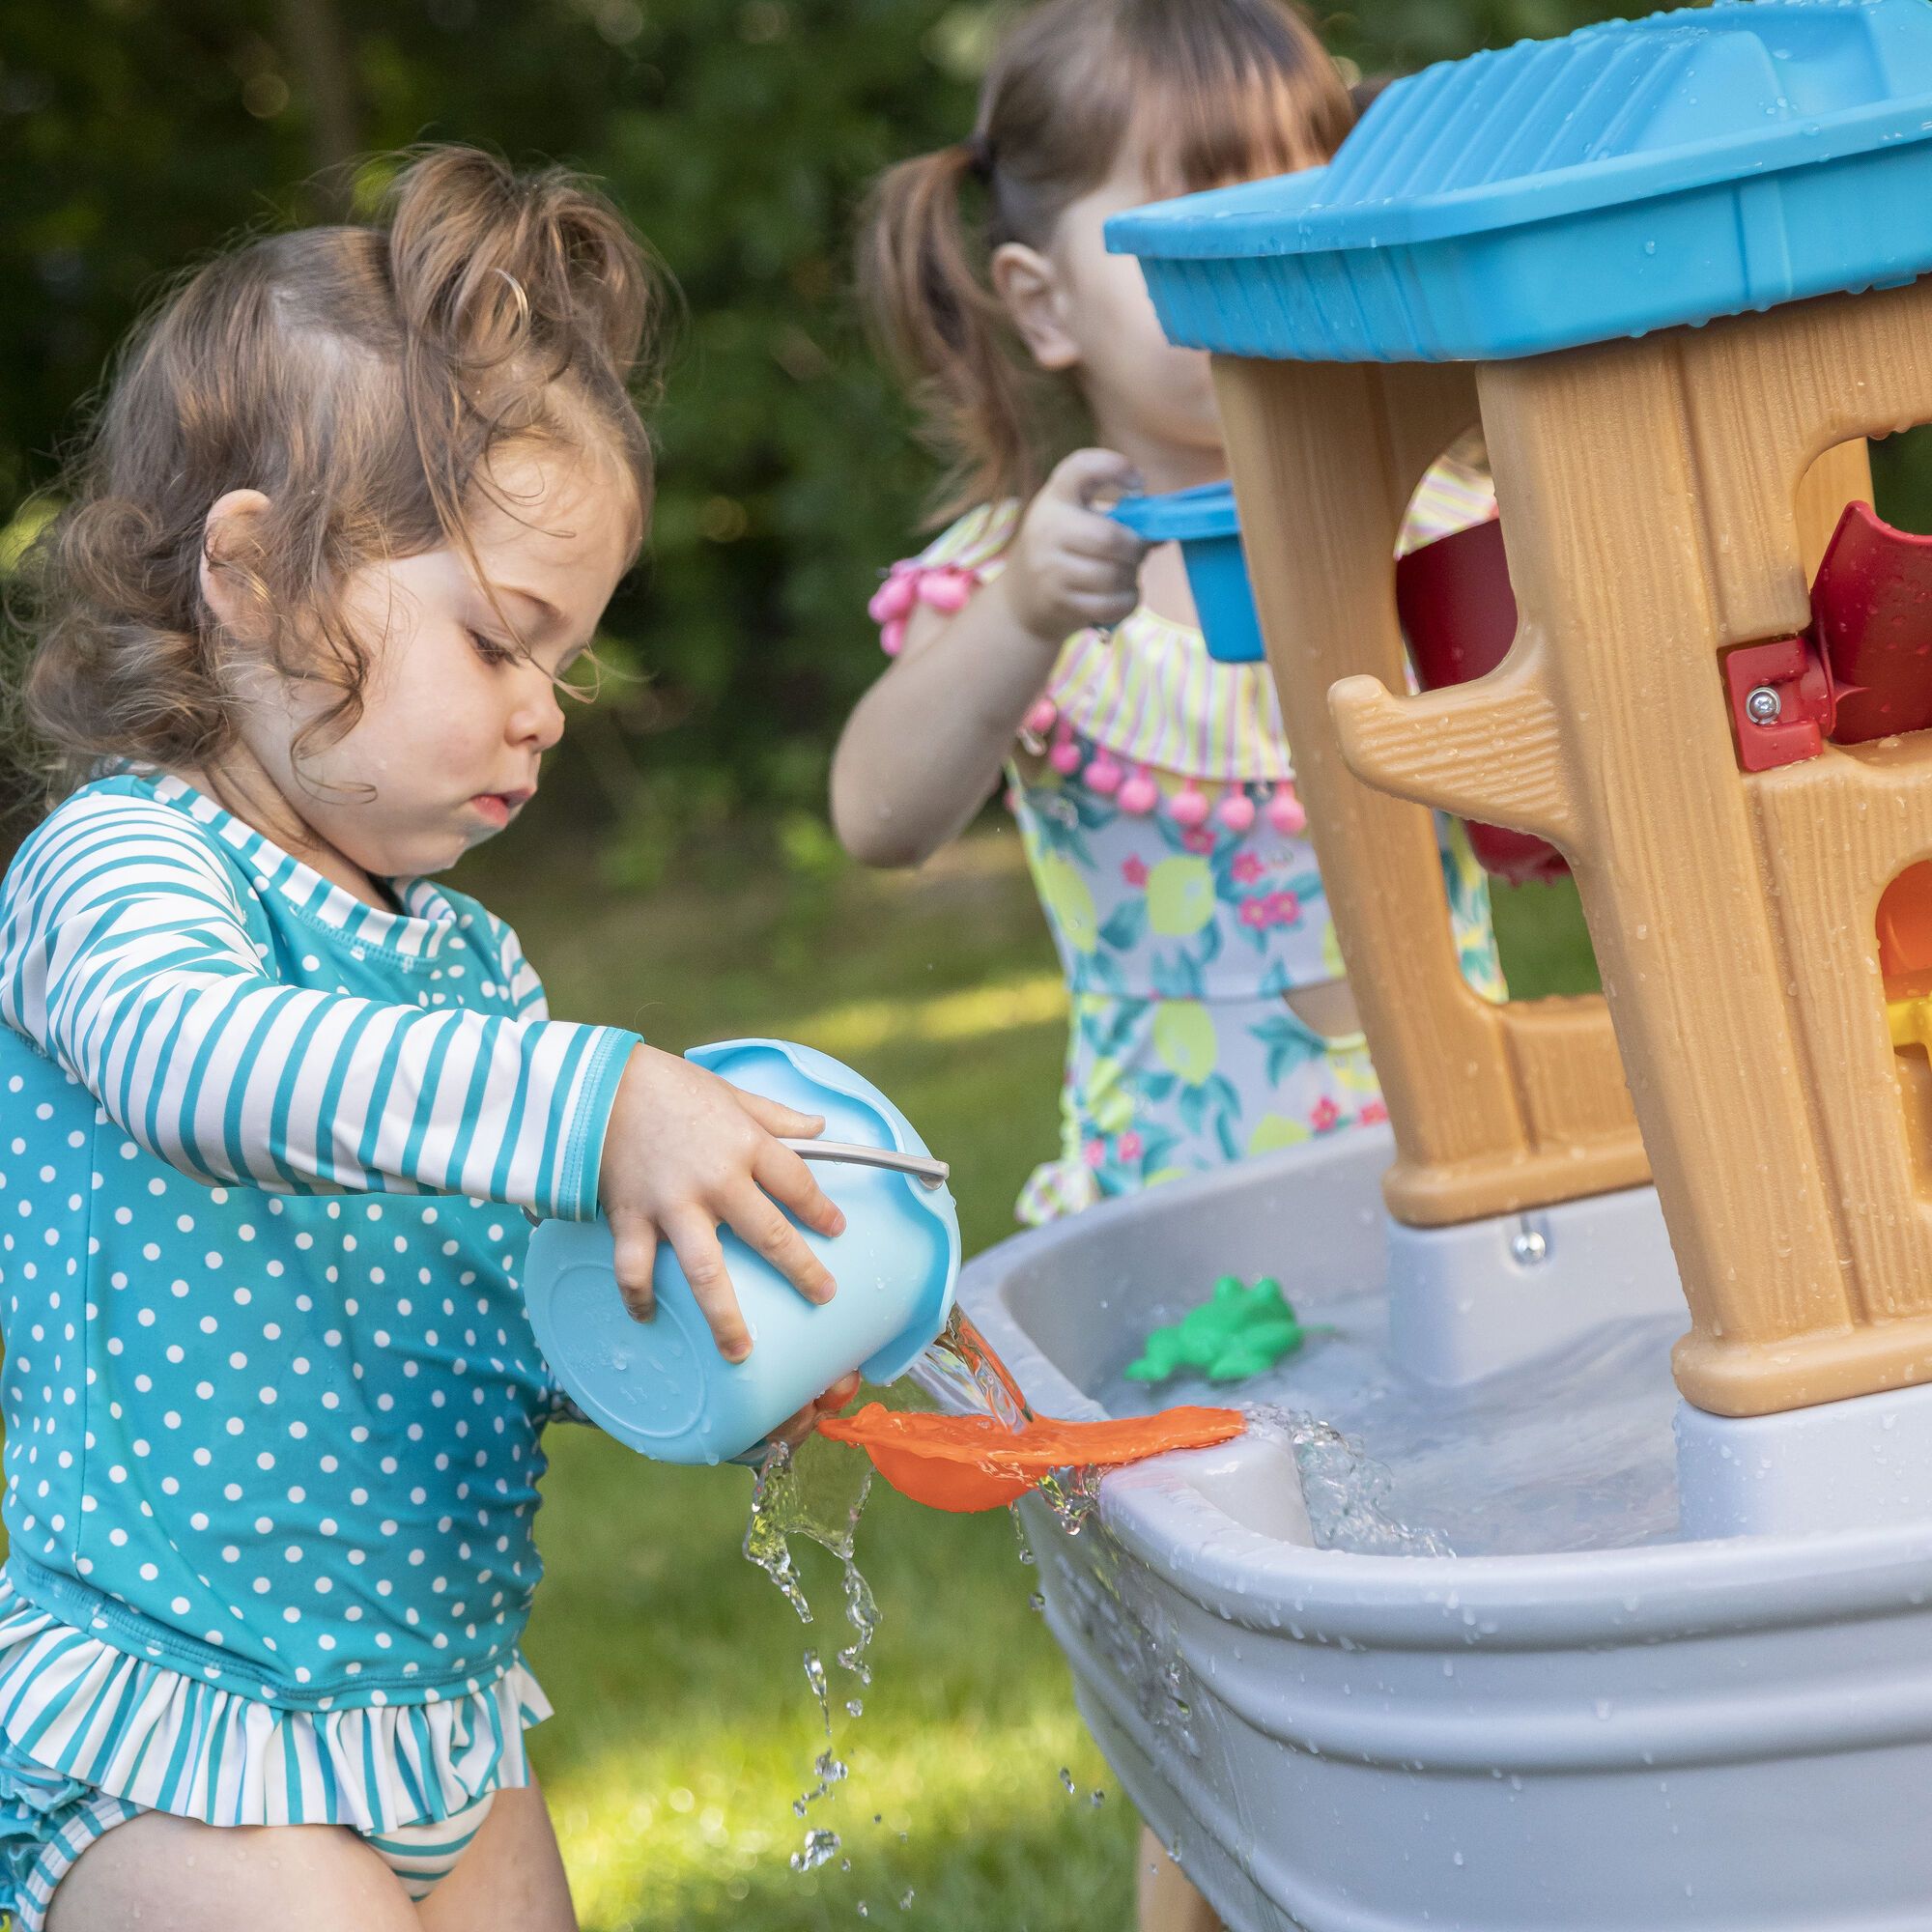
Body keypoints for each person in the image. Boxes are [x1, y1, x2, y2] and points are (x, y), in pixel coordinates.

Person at [0, 146, 858, 1932]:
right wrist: (592, 1096)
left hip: (438, 1719)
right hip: (175, 1711)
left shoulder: (465, 962)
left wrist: (711, 1323)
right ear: (253, 577)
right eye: (497, 637)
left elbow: (505, 1308)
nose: (543, 711)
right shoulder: (123, 865)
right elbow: (196, 1066)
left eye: (569, 660)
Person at [832, 4, 1501, 1923]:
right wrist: (1024, 614)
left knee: (1453, 1649)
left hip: (1447, 1204)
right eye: (1201, 197)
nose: (1261, 233)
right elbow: (878, 811)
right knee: (1222, 1749)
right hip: (1175, 1244)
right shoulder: (1038, 574)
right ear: (1045, 304)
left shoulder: (1437, 521)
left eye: (1303, 178)